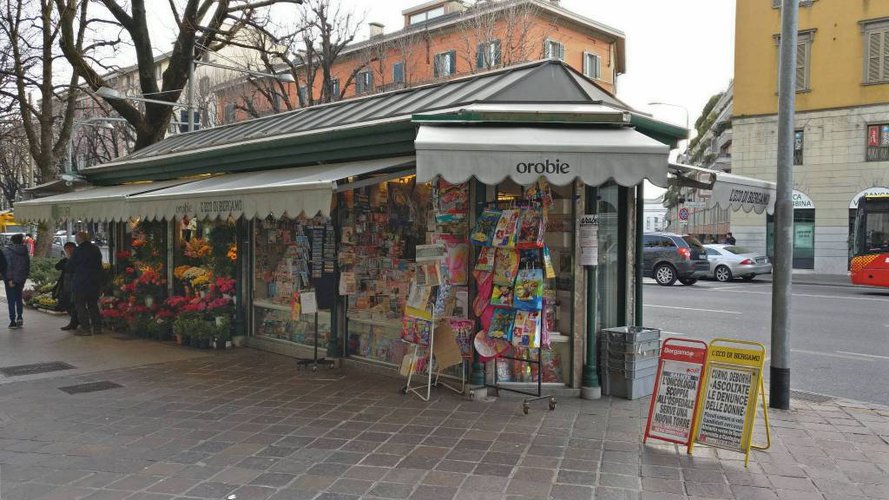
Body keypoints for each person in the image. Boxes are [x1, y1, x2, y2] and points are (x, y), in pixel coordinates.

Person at [68, 232, 103, 336]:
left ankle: (86, 328)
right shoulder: (95, 249)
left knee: (80, 305)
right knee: (93, 305)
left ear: (79, 239)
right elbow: (99, 264)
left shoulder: (78, 250)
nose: (75, 240)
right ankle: (97, 328)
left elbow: (70, 266)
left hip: (80, 282)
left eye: (76, 238)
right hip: (93, 281)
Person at [3, 233, 30, 328]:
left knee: (11, 300)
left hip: (10, 279)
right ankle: (19, 317)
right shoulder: (25, 251)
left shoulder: (7, 251)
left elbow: (8, 266)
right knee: (18, 298)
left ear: (12, 240)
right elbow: (27, 266)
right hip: (21, 278)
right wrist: (25, 277)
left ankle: (12, 321)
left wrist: (9, 278)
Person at [54, 242, 78, 331]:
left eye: (68, 249)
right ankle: (75, 321)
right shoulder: (66, 259)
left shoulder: (77, 258)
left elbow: (71, 268)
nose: (67, 251)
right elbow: (57, 266)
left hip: (75, 284)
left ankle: (74, 322)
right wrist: (66, 259)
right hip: (66, 284)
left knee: (73, 304)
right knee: (66, 303)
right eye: (66, 249)